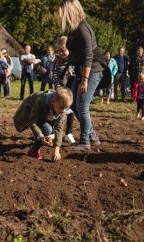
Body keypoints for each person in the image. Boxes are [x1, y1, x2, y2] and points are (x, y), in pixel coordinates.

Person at [59, 0, 104, 150]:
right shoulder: (73, 30)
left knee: (82, 105)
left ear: (71, 11)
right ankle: (92, 136)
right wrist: (66, 59)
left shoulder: (83, 29)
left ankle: (85, 142)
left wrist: (85, 80)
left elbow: (88, 56)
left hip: (92, 70)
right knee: (74, 104)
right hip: (81, 69)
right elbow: (76, 53)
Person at [14, 87, 73, 161]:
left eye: (66, 107)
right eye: (61, 107)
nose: (63, 110)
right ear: (52, 102)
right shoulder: (41, 101)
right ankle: (34, 150)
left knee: (51, 131)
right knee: (47, 129)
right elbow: (32, 121)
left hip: (46, 111)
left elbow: (59, 129)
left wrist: (57, 151)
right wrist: (41, 137)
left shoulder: (62, 107)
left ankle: (38, 139)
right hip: (31, 107)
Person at [51, 36, 76, 144]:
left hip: (70, 89)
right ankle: (53, 131)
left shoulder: (73, 59)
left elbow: (76, 73)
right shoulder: (56, 59)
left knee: (70, 110)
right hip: (59, 88)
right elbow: (53, 74)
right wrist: (57, 86)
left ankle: (69, 133)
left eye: (63, 51)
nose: (61, 53)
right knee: (55, 109)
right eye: (59, 51)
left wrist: (71, 75)